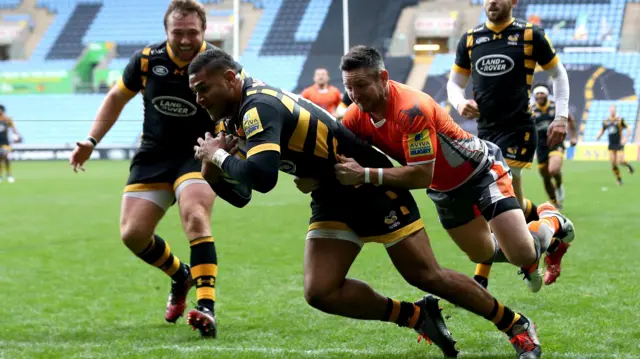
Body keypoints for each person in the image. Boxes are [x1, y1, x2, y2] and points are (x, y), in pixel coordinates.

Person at [190, 47, 545, 359]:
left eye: (203, 88)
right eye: (195, 92)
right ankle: (417, 316)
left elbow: (263, 179)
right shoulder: (235, 116)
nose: (199, 98)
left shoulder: (257, 106)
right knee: (320, 291)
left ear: (230, 78)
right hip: (331, 193)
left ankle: (516, 325)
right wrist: (212, 165)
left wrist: (219, 159)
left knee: (426, 275)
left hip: (371, 187)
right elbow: (242, 196)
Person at [68, 0, 244, 338]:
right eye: (177, 32)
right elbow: (116, 98)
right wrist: (91, 141)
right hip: (153, 155)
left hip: (199, 152)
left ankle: (206, 307)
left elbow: (244, 105)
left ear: (204, 31)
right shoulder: (147, 61)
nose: (184, 39)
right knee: (132, 234)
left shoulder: (221, 65)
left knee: (194, 214)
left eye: (192, 32)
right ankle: (180, 275)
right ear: (166, 31)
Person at [447, 0, 571, 287]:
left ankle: (484, 277)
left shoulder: (530, 34)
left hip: (518, 130)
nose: (492, 1)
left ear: (513, 1)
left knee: (496, 200)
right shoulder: (470, 39)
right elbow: (454, 83)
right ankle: (552, 226)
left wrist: (561, 117)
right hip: (485, 132)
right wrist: (459, 102)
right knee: (500, 203)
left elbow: (558, 74)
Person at [531, 84, 577, 210]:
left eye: (542, 93)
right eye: (537, 93)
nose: (540, 95)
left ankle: (559, 185)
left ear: (547, 94)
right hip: (540, 146)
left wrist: (573, 136)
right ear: (535, 96)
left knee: (553, 170)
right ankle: (555, 202)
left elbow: (570, 119)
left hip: (556, 142)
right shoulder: (531, 110)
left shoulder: (555, 106)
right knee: (545, 176)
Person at [596, 105, 634, 185]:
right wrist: (598, 136)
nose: (612, 111)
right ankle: (619, 179)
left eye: (613, 110)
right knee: (613, 163)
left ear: (615, 110)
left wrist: (626, 138)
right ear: (609, 110)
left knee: (620, 161)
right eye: (611, 110)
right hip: (611, 144)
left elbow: (629, 129)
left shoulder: (620, 120)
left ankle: (628, 165)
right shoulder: (606, 121)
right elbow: (602, 130)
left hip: (619, 143)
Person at [0, 105, 21, 184]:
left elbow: (13, 129)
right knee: (0, 158)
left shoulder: (7, 119)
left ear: (2, 110)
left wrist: (17, 136)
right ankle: (0, 176)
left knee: (4, 155)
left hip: (5, 142)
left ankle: (9, 175)